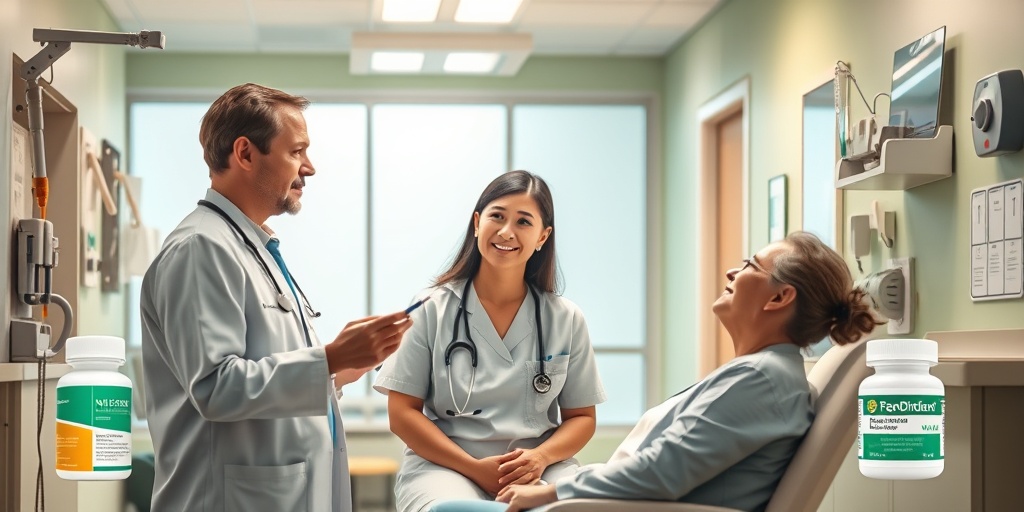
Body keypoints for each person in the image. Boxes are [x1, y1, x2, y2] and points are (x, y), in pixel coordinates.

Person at [433, 231, 882, 512]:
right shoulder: (759, 375)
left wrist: (552, 494)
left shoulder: (762, 380)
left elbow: (659, 474)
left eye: (750, 266)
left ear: (779, 298)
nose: (732, 269)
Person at [140, 83, 412, 512]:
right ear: (245, 153)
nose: (310, 167)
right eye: (296, 152)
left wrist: (340, 371)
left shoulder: (252, 248)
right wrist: (329, 360)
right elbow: (215, 387)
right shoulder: (200, 249)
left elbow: (264, 372)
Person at [373, 170, 607, 512]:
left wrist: (540, 458)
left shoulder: (565, 318)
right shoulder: (431, 309)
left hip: (540, 465)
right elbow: (402, 413)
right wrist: (475, 469)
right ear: (477, 222)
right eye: (497, 216)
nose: (506, 232)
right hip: (447, 464)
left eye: (524, 222)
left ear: (543, 236)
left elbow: (582, 417)